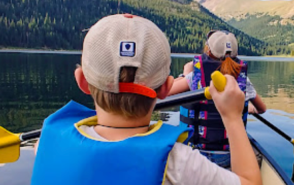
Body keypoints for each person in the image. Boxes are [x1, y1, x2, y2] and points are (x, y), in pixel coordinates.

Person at [31, 14, 261, 185]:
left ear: (82, 82)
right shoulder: (178, 163)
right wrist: (232, 117)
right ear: (165, 87)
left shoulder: (46, 142)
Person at [168, 30, 266, 167]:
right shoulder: (243, 81)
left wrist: (185, 74)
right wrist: (245, 107)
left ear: (208, 51)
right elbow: (262, 109)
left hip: (196, 154)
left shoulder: (194, 77)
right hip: (227, 156)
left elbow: (166, 93)